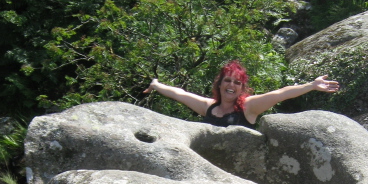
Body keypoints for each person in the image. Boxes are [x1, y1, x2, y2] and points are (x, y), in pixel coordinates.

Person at [143, 60, 339, 128]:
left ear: (242, 88)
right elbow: (179, 94)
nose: (231, 85)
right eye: (227, 80)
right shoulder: (208, 107)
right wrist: (156, 84)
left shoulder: (248, 107)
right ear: (219, 84)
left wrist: (311, 85)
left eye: (237, 83)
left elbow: (280, 94)